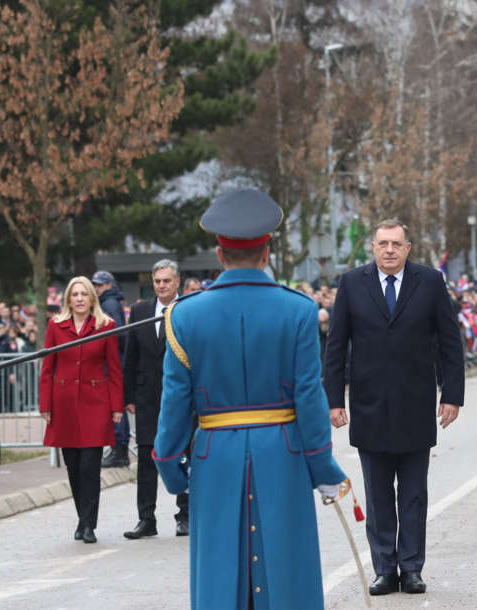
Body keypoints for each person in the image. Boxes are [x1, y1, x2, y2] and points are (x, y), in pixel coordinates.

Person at [154, 188, 346, 609]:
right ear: (267, 252)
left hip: (213, 456)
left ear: (219, 255)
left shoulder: (183, 314)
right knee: (287, 572)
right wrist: (323, 468)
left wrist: (169, 467)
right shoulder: (297, 309)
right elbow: (310, 398)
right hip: (284, 452)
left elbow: (174, 404)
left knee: (219, 574)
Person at [323, 218, 465, 596]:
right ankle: (384, 568)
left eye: (396, 244)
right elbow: (336, 346)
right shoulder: (352, 284)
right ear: (373, 247)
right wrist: (334, 399)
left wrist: (452, 395)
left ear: (408, 248)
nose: (389, 250)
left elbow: (451, 342)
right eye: (383, 243)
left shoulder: (430, 282)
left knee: (414, 494)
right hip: (369, 408)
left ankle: (412, 568)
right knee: (378, 494)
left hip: (417, 407)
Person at [39, 277, 123, 543]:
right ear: (67, 299)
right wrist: (45, 405)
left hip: (95, 403)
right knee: (73, 467)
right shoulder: (55, 326)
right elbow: (47, 367)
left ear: (91, 298)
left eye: (84, 294)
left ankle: (89, 525)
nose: (79, 299)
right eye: (74, 294)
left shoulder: (105, 325)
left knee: (90, 466)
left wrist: (117, 406)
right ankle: (82, 518)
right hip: (63, 403)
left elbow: (115, 369)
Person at [122, 259, 189, 539]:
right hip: (147, 396)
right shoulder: (140, 311)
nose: (161, 285)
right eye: (157, 281)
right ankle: (146, 518)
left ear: (177, 282)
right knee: (148, 459)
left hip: (182, 399)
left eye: (166, 280)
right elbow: (130, 356)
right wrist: (128, 395)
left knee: (182, 457)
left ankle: (185, 515)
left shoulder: (188, 310)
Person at [92, 270, 130, 468]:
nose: (96, 288)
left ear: (109, 285)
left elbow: (118, 335)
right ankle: (119, 449)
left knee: (115, 406)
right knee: (115, 405)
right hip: (114, 361)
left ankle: (119, 450)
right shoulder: (109, 303)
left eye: (100, 285)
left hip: (113, 363)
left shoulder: (109, 304)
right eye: (95, 285)